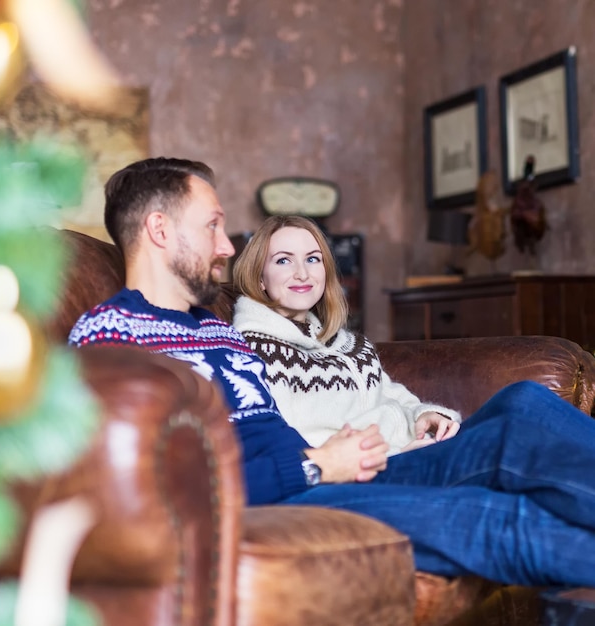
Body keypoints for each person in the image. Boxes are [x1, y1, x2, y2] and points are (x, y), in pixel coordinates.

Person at [69, 157, 595, 588]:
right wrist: (315, 465)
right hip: (277, 504)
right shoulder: (111, 338)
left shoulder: (217, 331)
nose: (228, 246)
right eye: (212, 226)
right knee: (490, 517)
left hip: (317, 476)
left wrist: (340, 450)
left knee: (522, 407)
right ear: (159, 229)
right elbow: (148, 493)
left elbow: (273, 428)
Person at [232, 215, 461, 456]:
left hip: (418, 446)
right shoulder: (257, 353)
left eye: (312, 259)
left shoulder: (347, 343)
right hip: (381, 468)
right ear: (260, 279)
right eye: (283, 261)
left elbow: (389, 394)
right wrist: (397, 456)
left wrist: (424, 414)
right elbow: (296, 444)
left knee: (506, 403)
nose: (302, 273)